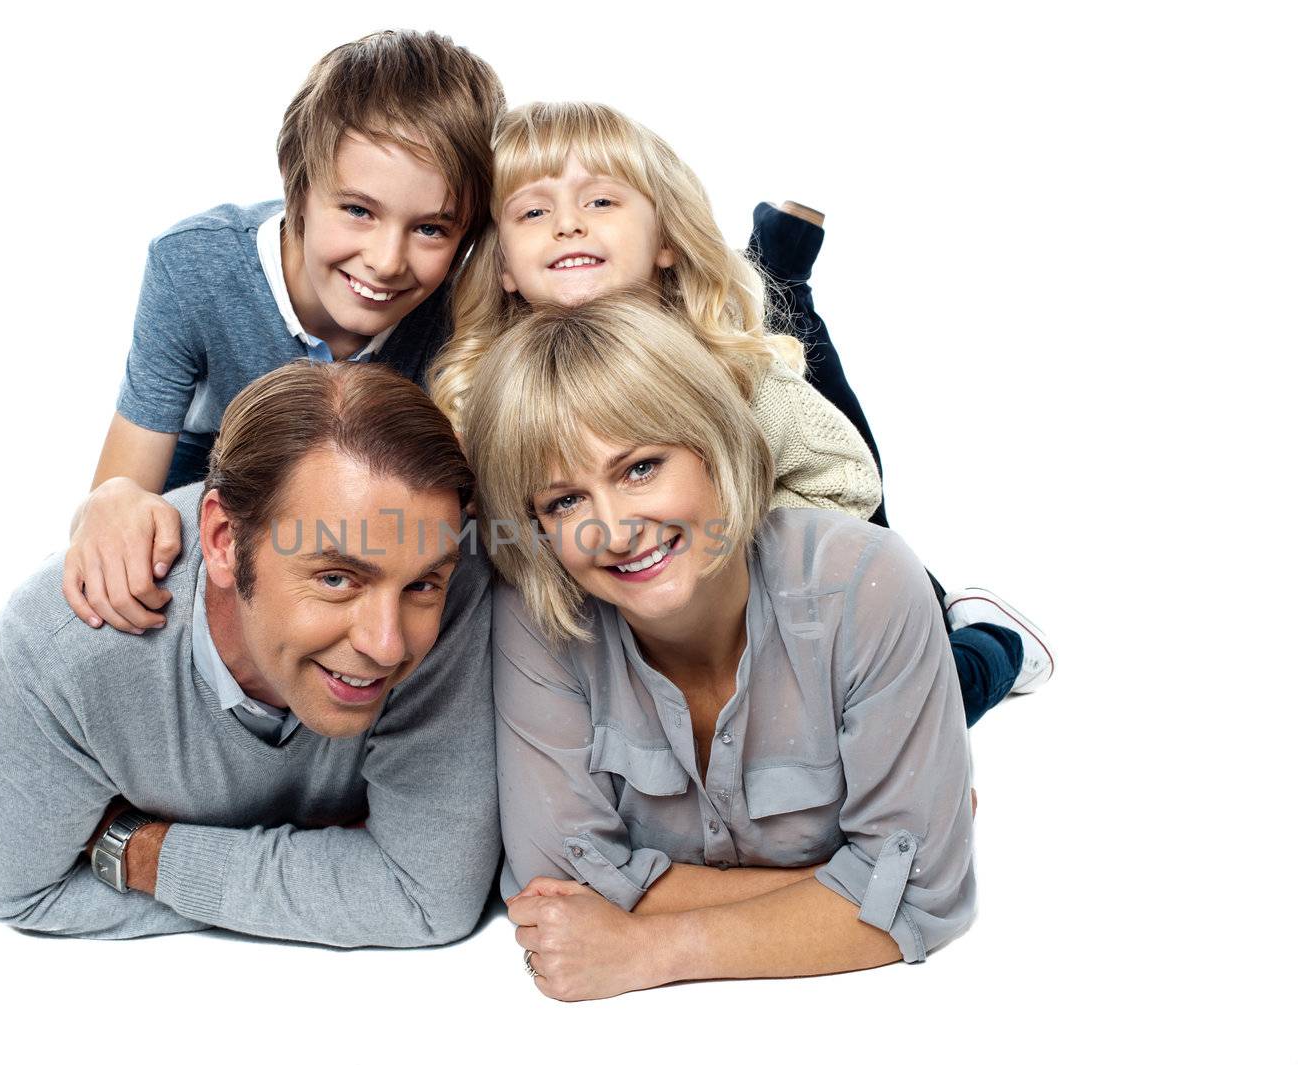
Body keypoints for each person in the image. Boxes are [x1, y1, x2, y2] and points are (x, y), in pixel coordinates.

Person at [428, 100, 1051, 724]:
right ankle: (780, 266)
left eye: (600, 202)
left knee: (911, 710)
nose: (567, 225)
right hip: (626, 643)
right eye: (534, 212)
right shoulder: (487, 398)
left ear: (667, 239)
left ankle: (995, 640)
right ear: (503, 265)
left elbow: (843, 475)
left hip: (776, 624)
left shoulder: (728, 370)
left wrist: (741, 572)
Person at [461, 296, 976, 1000]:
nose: (613, 530)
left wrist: (654, 946)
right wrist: (853, 880)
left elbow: (923, 900)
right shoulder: (534, 620)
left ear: (714, 445)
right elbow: (561, 888)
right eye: (564, 502)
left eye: (640, 467)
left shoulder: (870, 582)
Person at [0, 360, 497, 944]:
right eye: (337, 579)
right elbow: (26, 894)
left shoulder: (452, 587)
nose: (386, 645)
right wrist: (334, 868)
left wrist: (138, 848)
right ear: (223, 542)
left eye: (420, 586)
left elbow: (426, 898)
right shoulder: (53, 661)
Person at [62, 29, 504, 634]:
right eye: (358, 210)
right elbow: (124, 489)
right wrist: (108, 505)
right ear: (298, 186)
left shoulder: (464, 304)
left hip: (370, 541)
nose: (386, 260)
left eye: (431, 229)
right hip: (218, 512)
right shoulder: (197, 267)